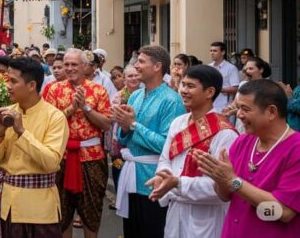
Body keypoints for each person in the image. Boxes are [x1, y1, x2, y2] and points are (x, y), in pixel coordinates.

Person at [194, 79, 300, 237]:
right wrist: (219, 178)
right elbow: (224, 197)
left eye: (245, 109)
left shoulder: (295, 149)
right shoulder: (242, 141)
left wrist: (233, 182)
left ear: (271, 112)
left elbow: (282, 212)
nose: (239, 115)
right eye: (238, 108)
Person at [0, 57, 68, 238]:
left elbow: (51, 163)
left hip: (42, 211)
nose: (8, 85)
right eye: (7, 80)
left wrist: (21, 132)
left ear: (31, 85)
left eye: (13, 81)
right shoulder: (6, 113)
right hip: (8, 206)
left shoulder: (55, 117)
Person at [146, 65, 238, 238]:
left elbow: (222, 186)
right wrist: (162, 177)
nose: (183, 91)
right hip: (176, 211)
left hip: (207, 217)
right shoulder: (178, 123)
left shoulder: (224, 133)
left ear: (209, 92)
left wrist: (178, 183)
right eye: (183, 84)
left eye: (190, 86)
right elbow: (165, 159)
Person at [112, 45, 186, 238]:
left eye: (141, 61)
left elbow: (167, 145)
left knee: (152, 231)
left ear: (157, 66)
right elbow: (124, 137)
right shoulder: (135, 95)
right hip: (131, 175)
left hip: (155, 179)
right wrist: (125, 127)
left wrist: (134, 126)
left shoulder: (171, 100)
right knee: (131, 231)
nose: (136, 66)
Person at [44, 49, 111, 238]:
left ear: (85, 66)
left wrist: (86, 108)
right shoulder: (54, 90)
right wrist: (72, 108)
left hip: (92, 158)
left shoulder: (98, 90)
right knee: (62, 212)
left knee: (91, 211)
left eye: (74, 64)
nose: (70, 68)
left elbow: (106, 124)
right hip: (61, 157)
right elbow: (48, 123)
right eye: (67, 64)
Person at [107, 65, 141, 191]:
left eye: (136, 75)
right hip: (120, 139)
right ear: (125, 80)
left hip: (138, 137)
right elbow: (112, 116)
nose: (133, 78)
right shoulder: (118, 96)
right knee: (119, 171)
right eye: (130, 76)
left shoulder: (145, 93)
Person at [208, 41, 240, 112]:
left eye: (215, 51)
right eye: (211, 51)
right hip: (210, 105)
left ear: (223, 52)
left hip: (225, 106)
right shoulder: (208, 67)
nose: (212, 53)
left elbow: (235, 88)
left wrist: (218, 89)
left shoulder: (231, 68)